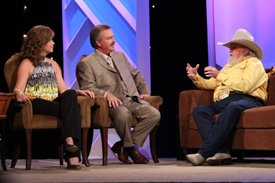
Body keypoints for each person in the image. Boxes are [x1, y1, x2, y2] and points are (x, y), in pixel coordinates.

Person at [76, 24, 160, 164]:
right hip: (110, 103)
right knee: (123, 114)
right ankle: (130, 150)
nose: (114, 40)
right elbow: (87, 87)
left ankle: (123, 146)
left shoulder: (119, 56)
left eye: (113, 37)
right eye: (109, 38)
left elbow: (136, 74)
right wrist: (106, 94)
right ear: (98, 42)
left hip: (131, 99)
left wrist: (144, 91)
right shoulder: (87, 63)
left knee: (154, 114)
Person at [13, 25, 95, 170]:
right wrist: (18, 92)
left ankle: (69, 144)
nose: (53, 43)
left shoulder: (53, 64)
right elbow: (18, 87)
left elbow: (63, 90)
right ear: (41, 42)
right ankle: (73, 155)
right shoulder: (27, 63)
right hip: (35, 102)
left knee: (70, 95)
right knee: (72, 110)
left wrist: (77, 92)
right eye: (50, 40)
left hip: (53, 102)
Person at [185, 28, 268, 166]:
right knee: (200, 110)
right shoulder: (229, 67)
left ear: (246, 50)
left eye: (234, 47)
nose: (230, 50)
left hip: (249, 99)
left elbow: (245, 86)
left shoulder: (254, 63)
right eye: (230, 47)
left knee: (232, 107)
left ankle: (204, 153)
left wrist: (219, 75)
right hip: (226, 99)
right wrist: (195, 77)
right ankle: (222, 152)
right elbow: (211, 84)